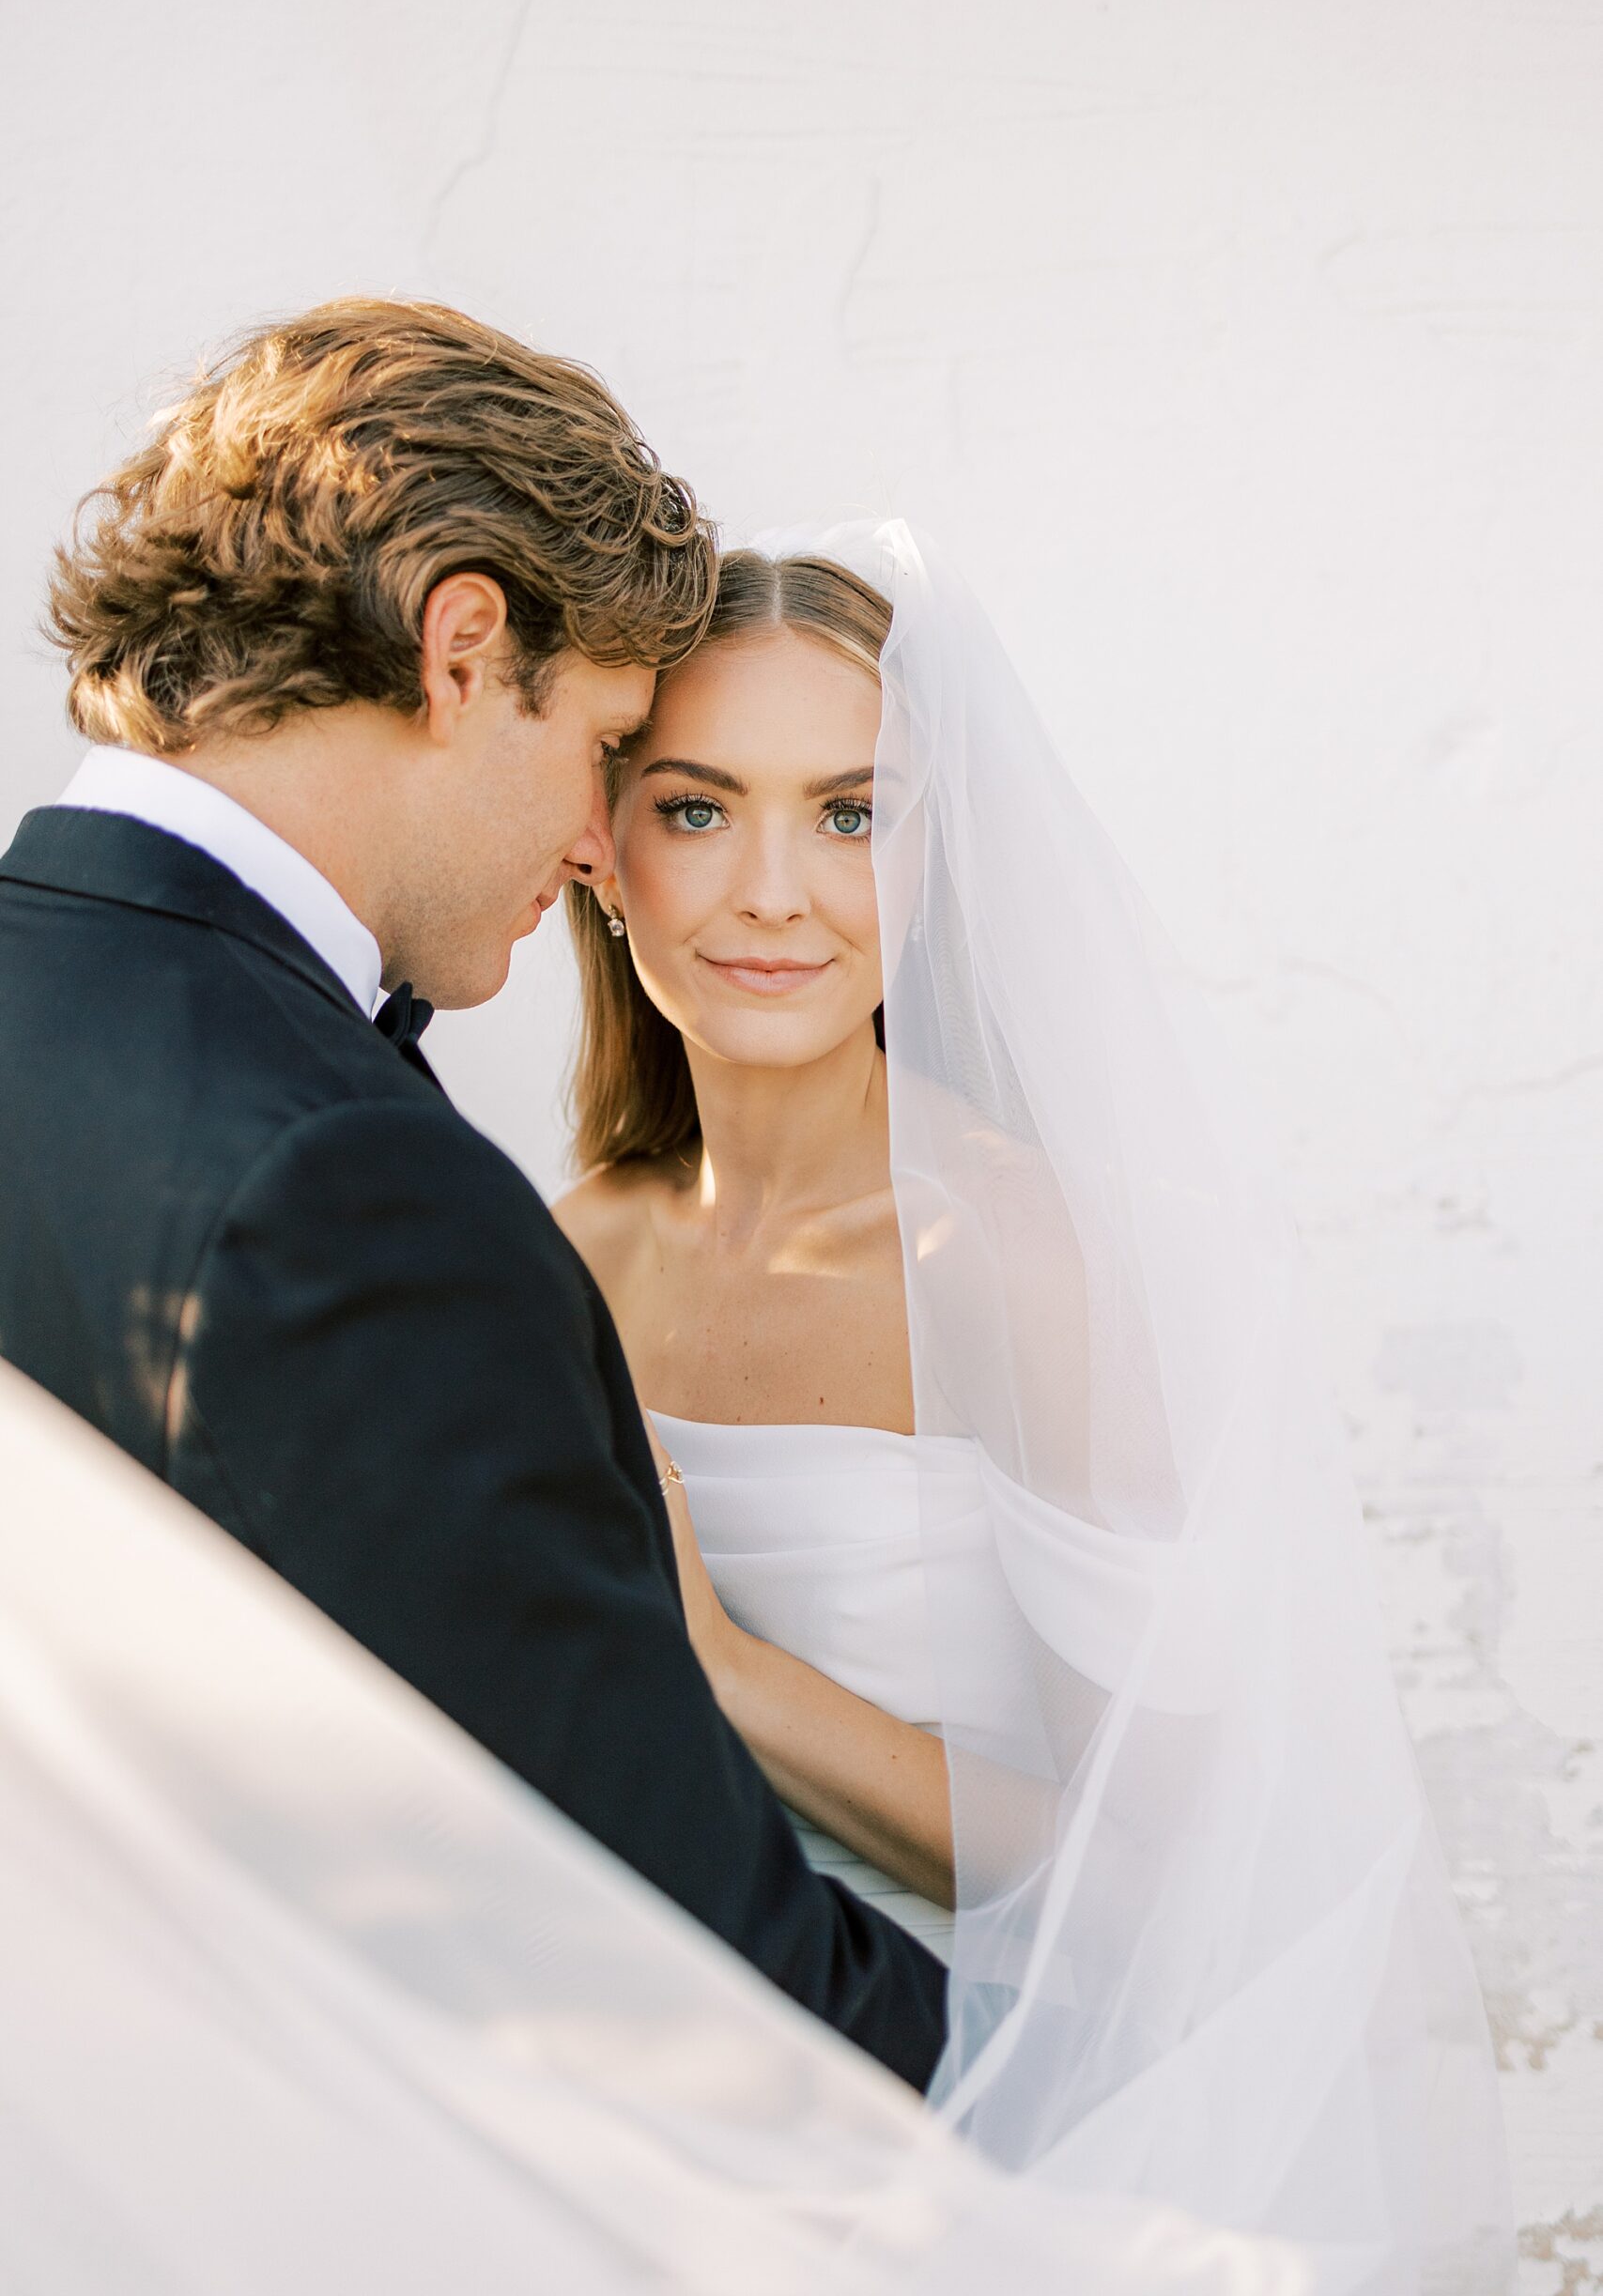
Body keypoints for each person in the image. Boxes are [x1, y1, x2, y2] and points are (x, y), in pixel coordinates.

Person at [556, 525, 1517, 2290]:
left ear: (937, 864)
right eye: (699, 809)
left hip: (1004, 2141)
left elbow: (1178, 1888)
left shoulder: (1015, 1258)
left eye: (852, 815)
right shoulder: (570, 1254)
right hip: (666, 2132)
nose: (777, 889)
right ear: (597, 849)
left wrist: (730, 1679)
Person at [0, 306, 947, 2090]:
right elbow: (682, 1978)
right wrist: (1082, 2150)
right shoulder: (345, 1183)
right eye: (610, 752)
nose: (598, 846)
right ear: (460, 648)